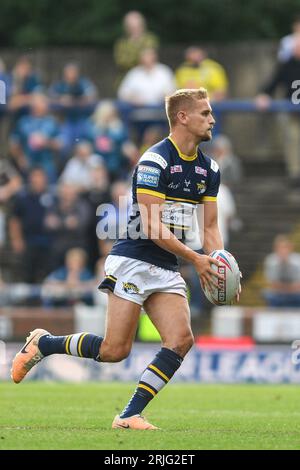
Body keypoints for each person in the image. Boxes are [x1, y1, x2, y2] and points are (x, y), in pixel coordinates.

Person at [11, 88, 241, 430]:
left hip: (167, 265)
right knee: (113, 350)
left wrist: (220, 266)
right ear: (182, 117)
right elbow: (150, 225)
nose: (212, 119)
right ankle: (44, 342)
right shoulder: (155, 160)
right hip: (132, 259)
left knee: (181, 339)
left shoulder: (210, 169)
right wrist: (196, 259)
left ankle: (129, 415)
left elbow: (209, 227)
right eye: (205, 113)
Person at [255, 37, 300, 186]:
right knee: (293, 139)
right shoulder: (286, 65)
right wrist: (264, 95)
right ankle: (295, 173)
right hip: (293, 113)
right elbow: (272, 84)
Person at [114, 11, 159, 79]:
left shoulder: (150, 39)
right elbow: (121, 62)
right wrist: (140, 59)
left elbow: (150, 57)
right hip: (127, 78)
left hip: (149, 76)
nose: (135, 29)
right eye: (132, 27)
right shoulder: (121, 43)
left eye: (137, 26)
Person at [263, 235, 300, 308]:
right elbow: (272, 285)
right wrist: (289, 288)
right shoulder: (270, 261)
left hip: (295, 296)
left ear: (290, 248)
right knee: (267, 294)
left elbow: (298, 285)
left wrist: (282, 288)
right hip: (277, 296)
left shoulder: (298, 261)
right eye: (280, 248)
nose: (283, 251)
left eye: (285, 247)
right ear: (275, 249)